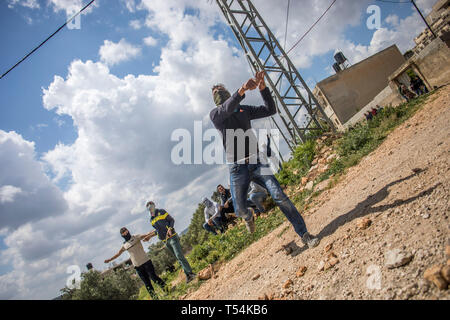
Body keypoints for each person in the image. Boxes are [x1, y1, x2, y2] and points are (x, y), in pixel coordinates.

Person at [209, 71, 320, 248]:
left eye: (220, 89)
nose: (218, 92)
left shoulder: (244, 109)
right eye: (215, 92)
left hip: (257, 161)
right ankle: (248, 216)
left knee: (279, 195)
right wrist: (243, 89)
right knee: (239, 210)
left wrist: (263, 88)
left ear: (228, 92)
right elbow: (227, 108)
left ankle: (304, 234)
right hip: (237, 168)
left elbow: (270, 109)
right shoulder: (216, 115)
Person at [104, 227, 165, 300]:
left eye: (126, 232)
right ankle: (155, 298)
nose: (126, 234)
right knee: (147, 284)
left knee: (154, 277)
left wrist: (158, 230)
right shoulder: (124, 245)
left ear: (128, 231)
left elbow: (146, 235)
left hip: (146, 261)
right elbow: (118, 254)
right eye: (124, 234)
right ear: (122, 235)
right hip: (137, 266)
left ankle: (165, 288)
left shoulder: (136, 237)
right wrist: (109, 260)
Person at [145, 201, 196, 283]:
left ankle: (190, 273)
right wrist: (149, 237)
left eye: (151, 204)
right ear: (147, 209)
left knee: (179, 255)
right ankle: (188, 276)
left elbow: (171, 220)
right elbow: (157, 231)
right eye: (148, 205)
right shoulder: (151, 220)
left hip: (172, 237)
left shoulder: (161, 211)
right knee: (178, 258)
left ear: (154, 205)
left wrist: (169, 228)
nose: (150, 206)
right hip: (165, 241)